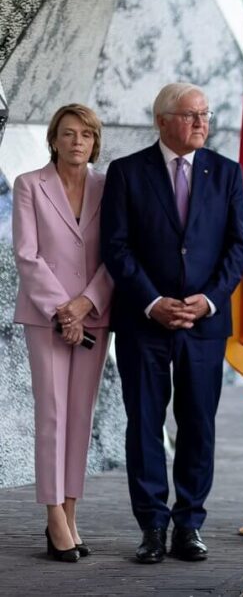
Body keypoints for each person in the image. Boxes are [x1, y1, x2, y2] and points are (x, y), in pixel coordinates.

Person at [100, 82, 243, 564]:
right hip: (144, 322)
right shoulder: (126, 173)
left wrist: (206, 301)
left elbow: (238, 248)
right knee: (144, 423)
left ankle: (189, 523)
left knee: (198, 423)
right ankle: (151, 526)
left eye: (205, 114)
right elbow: (115, 247)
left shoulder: (227, 173)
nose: (202, 123)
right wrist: (152, 301)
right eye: (191, 115)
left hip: (204, 323)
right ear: (162, 120)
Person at [13, 104, 114, 563]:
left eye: (87, 135)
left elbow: (115, 254)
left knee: (80, 416)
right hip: (46, 316)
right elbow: (27, 255)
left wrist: (84, 304)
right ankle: (53, 514)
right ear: (53, 139)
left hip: (93, 313)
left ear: (95, 143)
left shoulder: (107, 187)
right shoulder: (29, 185)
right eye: (69, 134)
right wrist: (62, 310)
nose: (78, 142)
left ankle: (72, 511)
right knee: (52, 415)